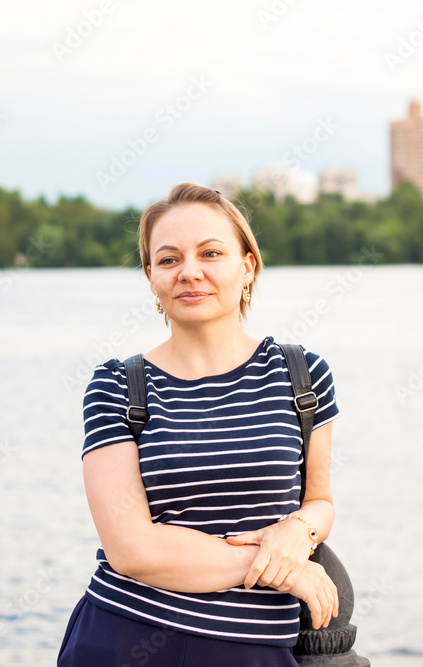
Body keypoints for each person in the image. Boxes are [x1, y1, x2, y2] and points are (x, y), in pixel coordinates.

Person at [57, 183, 341, 666]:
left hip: (255, 651)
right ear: (151, 278)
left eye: (210, 253)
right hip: (125, 640)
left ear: (247, 265)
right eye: (168, 260)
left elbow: (319, 500)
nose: (190, 272)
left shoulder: (302, 375)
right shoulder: (116, 387)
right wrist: (276, 568)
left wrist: (300, 531)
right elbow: (131, 549)